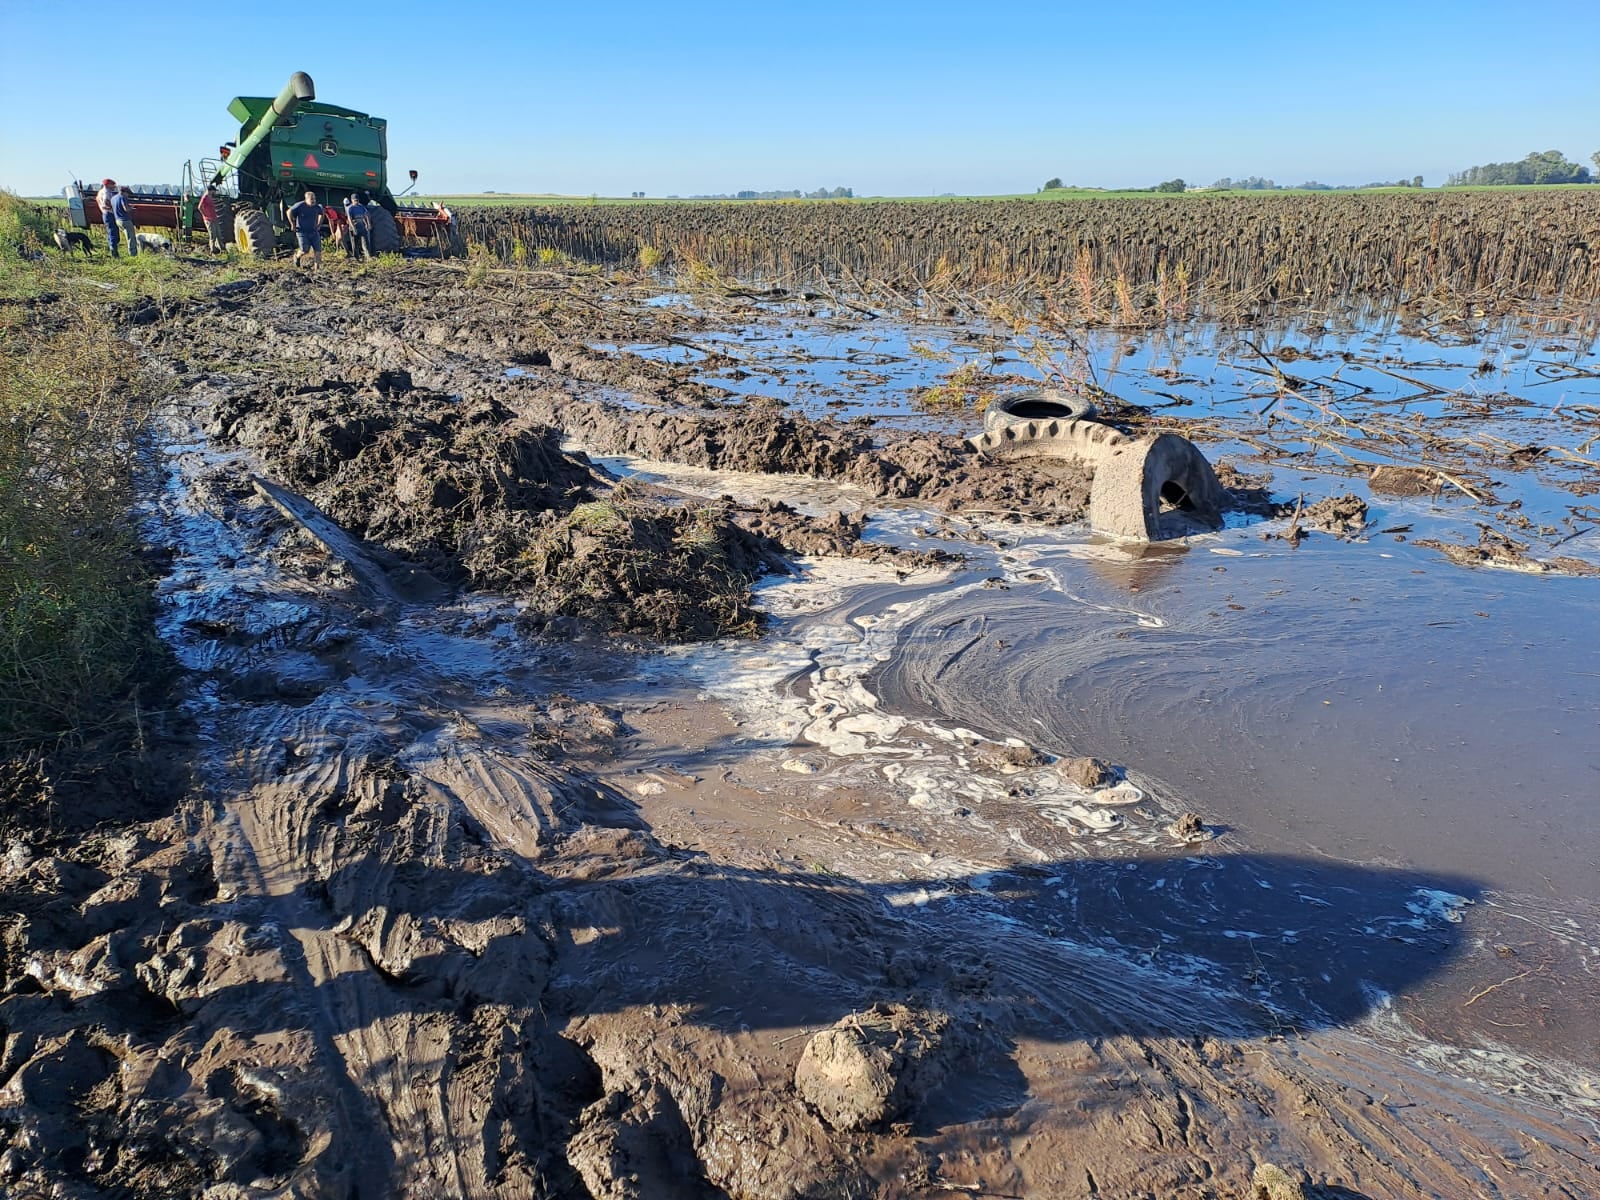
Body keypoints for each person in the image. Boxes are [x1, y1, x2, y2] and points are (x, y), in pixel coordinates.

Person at [97, 178, 137, 258]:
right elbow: (106, 204)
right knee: (113, 234)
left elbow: (98, 202)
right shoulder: (106, 193)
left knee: (112, 233)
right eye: (112, 185)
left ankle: (114, 252)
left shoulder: (100, 193)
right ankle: (114, 254)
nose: (114, 187)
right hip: (110, 214)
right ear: (107, 185)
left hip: (106, 214)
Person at [286, 190, 323, 268]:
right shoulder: (300, 205)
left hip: (314, 231)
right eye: (311, 199)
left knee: (318, 251)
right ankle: (297, 257)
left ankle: (317, 270)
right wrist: (292, 224)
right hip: (302, 231)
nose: (313, 201)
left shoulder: (317, 207)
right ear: (306, 199)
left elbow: (321, 214)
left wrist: (319, 224)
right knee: (304, 250)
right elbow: (289, 212)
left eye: (314, 199)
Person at [197, 184, 224, 253]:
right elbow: (199, 207)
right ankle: (213, 250)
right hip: (209, 219)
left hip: (214, 218)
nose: (214, 192)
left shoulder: (210, 197)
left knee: (218, 234)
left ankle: (222, 249)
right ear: (210, 191)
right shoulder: (205, 197)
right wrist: (205, 215)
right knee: (213, 235)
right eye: (214, 191)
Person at [344, 193, 370, 259]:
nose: (356, 202)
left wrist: (367, 224)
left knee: (365, 242)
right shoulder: (350, 208)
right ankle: (356, 257)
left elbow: (365, 216)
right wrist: (353, 228)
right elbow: (349, 219)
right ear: (352, 200)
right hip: (354, 227)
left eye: (357, 200)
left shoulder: (361, 207)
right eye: (355, 200)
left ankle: (368, 256)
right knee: (355, 243)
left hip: (362, 227)